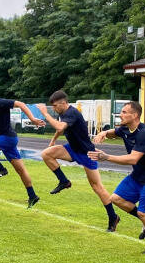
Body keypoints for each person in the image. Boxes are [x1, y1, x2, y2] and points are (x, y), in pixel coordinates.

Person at [89, 101, 145, 254]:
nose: (121, 114)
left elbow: (133, 159)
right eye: (122, 112)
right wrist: (104, 133)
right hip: (138, 175)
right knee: (116, 199)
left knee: (143, 213)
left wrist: (106, 157)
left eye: (125, 112)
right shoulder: (126, 129)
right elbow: (115, 132)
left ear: (135, 115)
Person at [37, 90, 120, 232]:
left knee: (97, 187)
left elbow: (59, 126)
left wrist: (45, 113)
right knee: (46, 154)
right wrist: (53, 141)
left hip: (87, 153)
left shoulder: (72, 113)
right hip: (73, 149)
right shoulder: (63, 113)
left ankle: (113, 217)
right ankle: (64, 181)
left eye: (56, 106)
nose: (55, 109)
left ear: (63, 103)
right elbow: (60, 128)